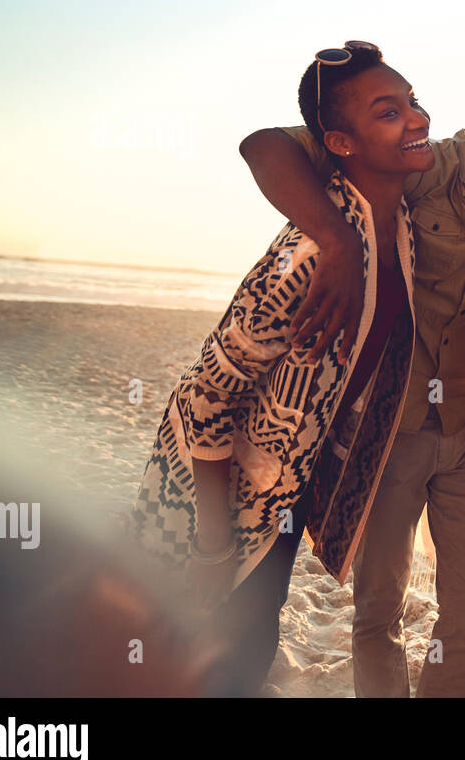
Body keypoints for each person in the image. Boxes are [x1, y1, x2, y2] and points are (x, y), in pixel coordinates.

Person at [237, 51, 465, 697]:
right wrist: (334, 240)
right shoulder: (420, 168)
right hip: (390, 429)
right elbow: (265, 146)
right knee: (378, 611)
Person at [130, 42, 427, 695]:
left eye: (413, 101)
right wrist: (211, 543)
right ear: (341, 143)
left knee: (250, 635)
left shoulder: (398, 222)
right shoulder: (306, 262)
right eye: (389, 111)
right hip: (210, 498)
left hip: (281, 490)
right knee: (193, 650)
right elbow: (208, 396)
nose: (416, 118)